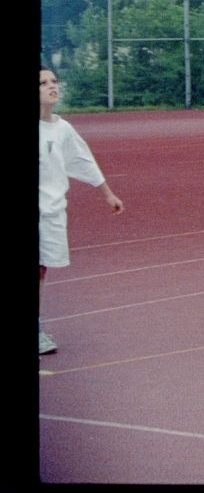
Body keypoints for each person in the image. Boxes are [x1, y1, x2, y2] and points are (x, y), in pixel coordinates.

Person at [39, 65, 124, 355]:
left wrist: (107, 193)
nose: (52, 86)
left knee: (41, 271)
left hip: (51, 212)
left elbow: (82, 159)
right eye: (43, 83)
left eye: (54, 81)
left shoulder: (62, 129)